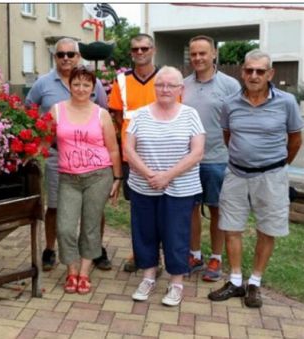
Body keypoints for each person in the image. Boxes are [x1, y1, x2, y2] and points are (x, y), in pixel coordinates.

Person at [208, 50, 303, 308]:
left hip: (271, 177)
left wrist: (278, 165)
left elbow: (295, 140)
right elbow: (229, 136)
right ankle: (236, 280)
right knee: (231, 227)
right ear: (242, 72)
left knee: (267, 229)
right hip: (236, 175)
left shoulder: (286, 102)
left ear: (270, 74)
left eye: (260, 71)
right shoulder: (230, 103)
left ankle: (255, 283)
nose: (254, 75)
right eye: (249, 70)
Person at [25, 37, 111, 272]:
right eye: (60, 54)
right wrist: (34, 143)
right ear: (55, 57)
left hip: (92, 161)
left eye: (70, 54)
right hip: (57, 157)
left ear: (78, 56)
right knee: (55, 207)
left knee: (94, 210)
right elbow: (27, 111)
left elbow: (103, 113)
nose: (65, 58)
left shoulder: (95, 84)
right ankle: (51, 249)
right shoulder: (42, 84)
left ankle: (96, 249)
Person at [125, 66, 205, 306]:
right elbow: (128, 148)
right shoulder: (139, 115)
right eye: (160, 84)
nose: (165, 89)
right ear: (154, 87)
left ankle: (176, 282)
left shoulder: (190, 114)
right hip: (143, 186)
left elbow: (197, 152)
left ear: (181, 89)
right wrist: (151, 174)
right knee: (144, 233)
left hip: (180, 188)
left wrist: (168, 175)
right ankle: (148, 277)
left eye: (171, 85)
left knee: (176, 235)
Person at [53, 66, 122, 294]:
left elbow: (113, 149)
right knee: (64, 228)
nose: (81, 88)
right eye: (76, 84)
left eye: (86, 84)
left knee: (91, 227)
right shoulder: (57, 111)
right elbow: (41, 139)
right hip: (68, 178)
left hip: (98, 177)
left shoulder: (101, 114)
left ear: (93, 88)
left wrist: (117, 178)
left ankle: (82, 272)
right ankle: (70, 269)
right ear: (69, 86)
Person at [183, 35, 241, 281]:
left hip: (218, 160)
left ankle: (216, 259)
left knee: (218, 210)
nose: (198, 58)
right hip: (187, 162)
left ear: (214, 54)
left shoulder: (230, 86)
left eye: (203, 53)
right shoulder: (182, 85)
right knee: (191, 209)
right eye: (194, 54)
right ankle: (194, 255)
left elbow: (239, 122)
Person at [107, 33, 161, 273]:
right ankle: (139, 252)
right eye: (135, 49)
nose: (140, 53)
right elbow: (118, 116)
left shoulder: (164, 78)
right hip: (132, 156)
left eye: (144, 48)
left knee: (161, 207)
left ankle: (157, 255)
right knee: (138, 208)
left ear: (153, 50)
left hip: (160, 155)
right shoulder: (121, 81)